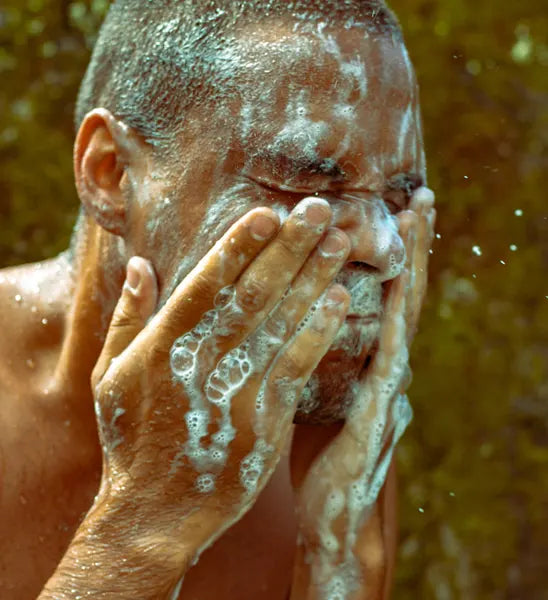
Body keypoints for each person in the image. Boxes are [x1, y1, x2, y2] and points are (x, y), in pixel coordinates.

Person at [0, 1, 436, 598]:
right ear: (111, 174)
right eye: (307, 187)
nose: (387, 248)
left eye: (397, 197)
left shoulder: (315, 438)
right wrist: (142, 528)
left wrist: (336, 563)